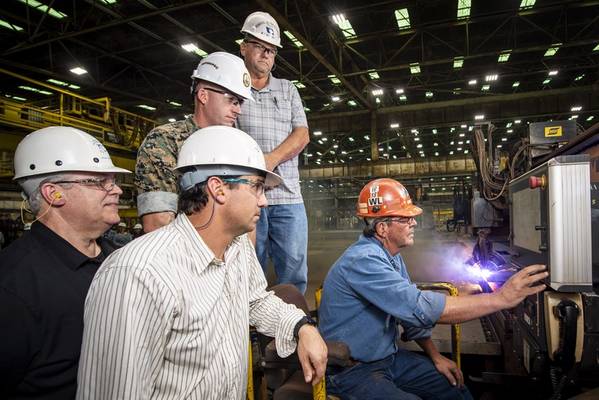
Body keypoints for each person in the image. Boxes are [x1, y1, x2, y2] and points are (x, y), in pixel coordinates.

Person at [77, 126, 327, 400]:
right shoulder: (138, 274)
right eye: (257, 187)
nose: (264, 201)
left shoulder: (238, 247)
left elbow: (256, 301)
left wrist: (302, 327)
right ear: (218, 188)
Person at [318, 178, 548, 400]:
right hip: (351, 371)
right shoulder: (363, 261)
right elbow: (420, 308)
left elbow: (408, 315)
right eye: (405, 219)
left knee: (453, 387)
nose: (414, 223)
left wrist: (436, 357)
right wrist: (501, 298)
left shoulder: (389, 256)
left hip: (388, 359)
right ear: (382, 228)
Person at [0, 126, 130, 399]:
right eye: (98, 182)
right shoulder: (14, 286)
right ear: (53, 194)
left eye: (113, 180)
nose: (116, 190)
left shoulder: (122, 260)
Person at [135, 51, 253, 233]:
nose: (238, 110)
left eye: (240, 103)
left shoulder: (236, 147)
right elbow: (157, 223)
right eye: (232, 100)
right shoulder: (165, 140)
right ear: (204, 95)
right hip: (181, 255)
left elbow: (247, 219)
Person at [238, 11, 311, 293]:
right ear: (244, 47)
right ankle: (249, 331)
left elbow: (302, 134)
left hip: (288, 196)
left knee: (293, 268)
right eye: (259, 47)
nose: (266, 55)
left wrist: (269, 160)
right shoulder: (234, 88)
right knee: (247, 265)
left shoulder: (288, 88)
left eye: (271, 50)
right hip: (246, 195)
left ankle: (292, 327)